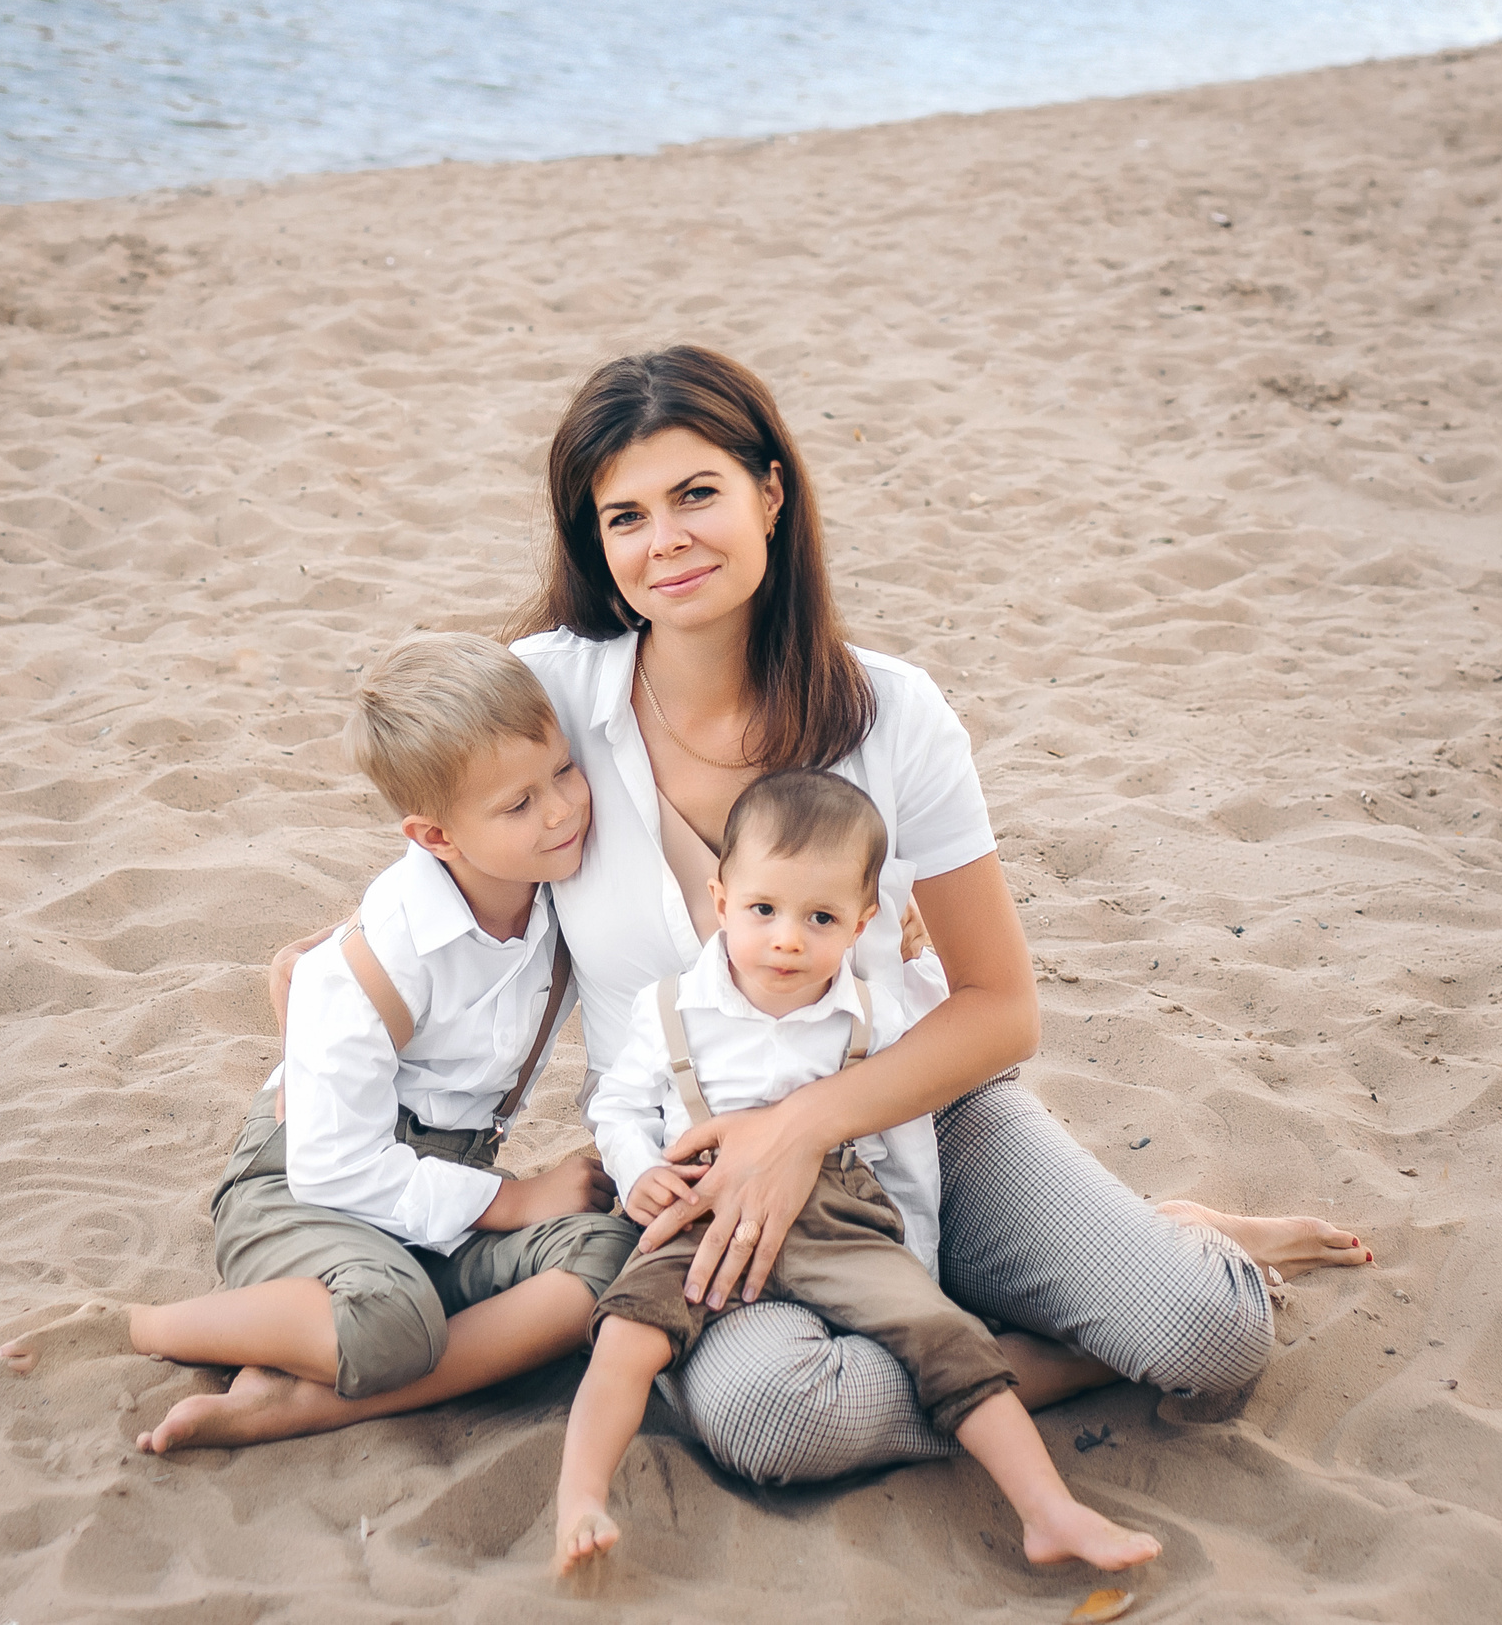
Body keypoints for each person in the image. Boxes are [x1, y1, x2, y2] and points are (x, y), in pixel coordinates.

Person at [509, 344, 1371, 1484]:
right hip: (697, 1155)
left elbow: (999, 1008)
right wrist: (347, 972)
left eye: (697, 494)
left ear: (772, 491)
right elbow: (449, 911)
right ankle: (1026, 1340)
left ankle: (1149, 1249)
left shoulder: (892, 714)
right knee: (776, 1419)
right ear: (595, 543)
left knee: (1208, 1336)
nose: (663, 540)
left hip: (920, 1115)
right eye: (624, 516)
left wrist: (803, 1127)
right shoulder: (545, 700)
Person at [0, 634, 638, 1450]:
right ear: (434, 836)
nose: (561, 810)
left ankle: (309, 1394)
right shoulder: (380, 959)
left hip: (433, 1190)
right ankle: (146, 1326)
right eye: (518, 804)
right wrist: (514, 1199)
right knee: (394, 1318)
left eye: (564, 771)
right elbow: (333, 1164)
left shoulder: (558, 899)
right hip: (301, 1191)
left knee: (607, 1258)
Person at [553, 767, 1161, 1577]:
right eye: (764, 909)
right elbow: (620, 1107)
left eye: (822, 917)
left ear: (861, 921)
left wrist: (916, 1256)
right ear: (721, 895)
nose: (788, 939)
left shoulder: (876, 1009)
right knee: (626, 1334)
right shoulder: (670, 1006)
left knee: (947, 1337)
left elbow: (906, 1134)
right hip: (703, 1209)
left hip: (840, 1209)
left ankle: (1048, 1510)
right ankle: (580, 1497)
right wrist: (637, 1173)